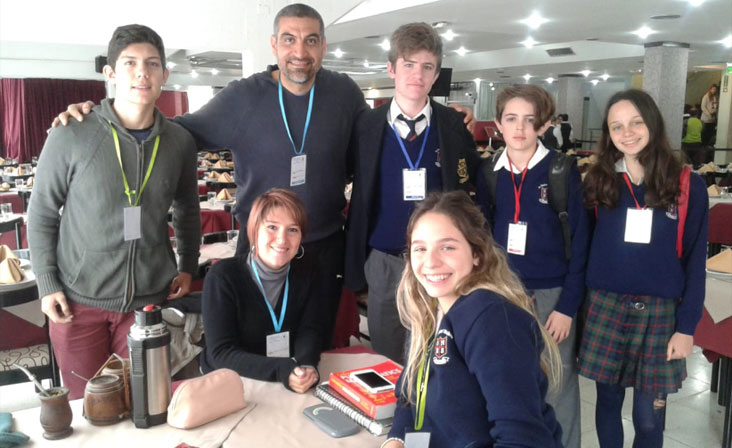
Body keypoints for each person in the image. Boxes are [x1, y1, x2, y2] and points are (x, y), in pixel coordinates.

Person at [53, 4, 475, 350]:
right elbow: (176, 132)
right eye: (289, 39)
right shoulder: (243, 97)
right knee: (255, 343)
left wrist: (448, 123)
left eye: (311, 40)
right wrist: (103, 115)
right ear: (274, 44)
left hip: (325, 247)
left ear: (323, 47)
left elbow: (380, 136)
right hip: (261, 249)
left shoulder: (343, 93)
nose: (300, 51)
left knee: (321, 346)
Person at [28, 24, 201, 399]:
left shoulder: (179, 142)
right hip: (78, 303)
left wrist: (188, 265)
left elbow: (188, 209)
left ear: (164, 75)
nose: (142, 73)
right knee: (88, 410)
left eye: (152, 64)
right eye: (130, 63)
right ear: (110, 73)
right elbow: (41, 212)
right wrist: (47, 282)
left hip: (148, 302)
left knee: (146, 405)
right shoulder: (71, 133)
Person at [382, 191, 563, 448]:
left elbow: (522, 439)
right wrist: (396, 440)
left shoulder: (492, 320)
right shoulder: (428, 310)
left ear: (476, 254)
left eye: (447, 247)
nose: (430, 262)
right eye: (420, 249)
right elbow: (409, 395)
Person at [344, 23, 480, 364]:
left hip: (440, 261)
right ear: (391, 68)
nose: (417, 75)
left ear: (436, 75)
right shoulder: (365, 126)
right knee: (386, 358)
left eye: (427, 66)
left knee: (439, 357)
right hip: (385, 260)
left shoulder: (453, 125)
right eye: (408, 64)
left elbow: (473, 185)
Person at [580, 89, 709, 448]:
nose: (627, 133)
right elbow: (584, 249)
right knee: (607, 403)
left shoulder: (687, 184)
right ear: (608, 133)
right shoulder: (598, 180)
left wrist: (687, 327)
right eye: (617, 126)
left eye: (636, 122)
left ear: (652, 123)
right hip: (606, 306)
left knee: (648, 418)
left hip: (660, 313)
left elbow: (695, 261)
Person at [476, 84, 589, 448]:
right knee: (506, 378)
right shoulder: (489, 171)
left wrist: (567, 307)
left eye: (530, 120)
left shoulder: (561, 170)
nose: (520, 128)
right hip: (503, 291)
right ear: (498, 124)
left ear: (543, 125)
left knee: (558, 383)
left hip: (552, 294)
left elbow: (580, 244)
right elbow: (482, 236)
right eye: (511, 119)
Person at [200, 189, 321, 392]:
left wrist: (307, 365)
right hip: (231, 383)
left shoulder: (308, 271)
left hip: (286, 380)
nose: (282, 240)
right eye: (272, 227)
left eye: (292, 230)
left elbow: (310, 329)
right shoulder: (223, 276)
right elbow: (221, 353)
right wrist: (281, 370)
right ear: (254, 230)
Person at [700, 84, 718, 148]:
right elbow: (703, 107)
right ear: (710, 89)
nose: (714, 90)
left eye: (715, 89)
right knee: (705, 134)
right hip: (706, 119)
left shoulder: (714, 97)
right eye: (713, 89)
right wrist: (709, 114)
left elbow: (715, 106)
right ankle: (703, 146)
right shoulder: (705, 96)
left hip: (712, 119)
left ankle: (707, 146)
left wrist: (715, 110)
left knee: (710, 134)